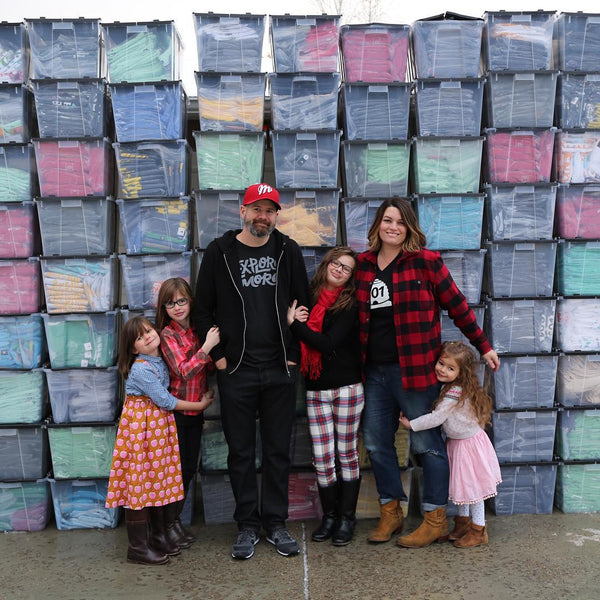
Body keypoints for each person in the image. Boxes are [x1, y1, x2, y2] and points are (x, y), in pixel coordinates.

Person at [354, 197, 500, 549]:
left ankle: (435, 518)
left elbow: (458, 305)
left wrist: (483, 345)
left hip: (416, 371)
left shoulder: (426, 263)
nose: (393, 227)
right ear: (377, 225)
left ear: (409, 228)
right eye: (387, 220)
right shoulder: (363, 265)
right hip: (374, 371)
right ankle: (391, 512)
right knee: (375, 441)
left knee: (426, 444)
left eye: (400, 222)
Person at [194, 182, 310, 560]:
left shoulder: (287, 250)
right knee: (240, 452)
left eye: (270, 210)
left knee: (278, 451)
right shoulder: (219, 252)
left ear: (277, 215)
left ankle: (275, 523)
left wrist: (292, 356)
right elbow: (202, 310)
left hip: (280, 368)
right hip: (237, 370)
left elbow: (302, 305)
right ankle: (247, 525)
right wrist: (221, 360)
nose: (263, 217)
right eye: (256, 209)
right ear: (242, 212)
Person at [105, 316, 214, 565]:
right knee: (139, 485)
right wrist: (201, 405)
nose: (147, 337)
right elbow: (166, 401)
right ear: (134, 349)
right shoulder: (142, 368)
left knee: (155, 481)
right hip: (140, 431)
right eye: (140, 338)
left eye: (148, 331)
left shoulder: (159, 360)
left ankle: (158, 537)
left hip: (155, 429)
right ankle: (138, 547)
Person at [287, 246, 364, 546]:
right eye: (336, 263)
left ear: (351, 277)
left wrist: (295, 325)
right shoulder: (309, 295)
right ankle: (329, 516)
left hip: (347, 388)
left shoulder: (350, 304)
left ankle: (347, 518)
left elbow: (327, 344)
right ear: (326, 263)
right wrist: (297, 322)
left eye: (346, 268)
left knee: (346, 454)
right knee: (322, 459)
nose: (339, 270)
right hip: (316, 388)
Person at [399, 341, 501, 548]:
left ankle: (479, 529)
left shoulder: (454, 393)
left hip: (468, 446)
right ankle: (463, 524)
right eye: (441, 363)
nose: (443, 370)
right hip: (459, 443)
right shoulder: (454, 388)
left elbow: (437, 417)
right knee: (464, 486)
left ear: (461, 372)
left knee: (474, 490)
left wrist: (412, 425)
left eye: (451, 368)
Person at [156, 277, 220, 547]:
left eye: (182, 301)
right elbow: (183, 371)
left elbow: (206, 368)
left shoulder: (196, 329)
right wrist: (207, 347)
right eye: (171, 303)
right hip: (178, 414)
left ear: (190, 301)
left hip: (196, 413)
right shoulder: (167, 335)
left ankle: (174, 523)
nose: (177, 307)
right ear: (164, 308)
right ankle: (165, 527)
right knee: (178, 472)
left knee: (189, 470)